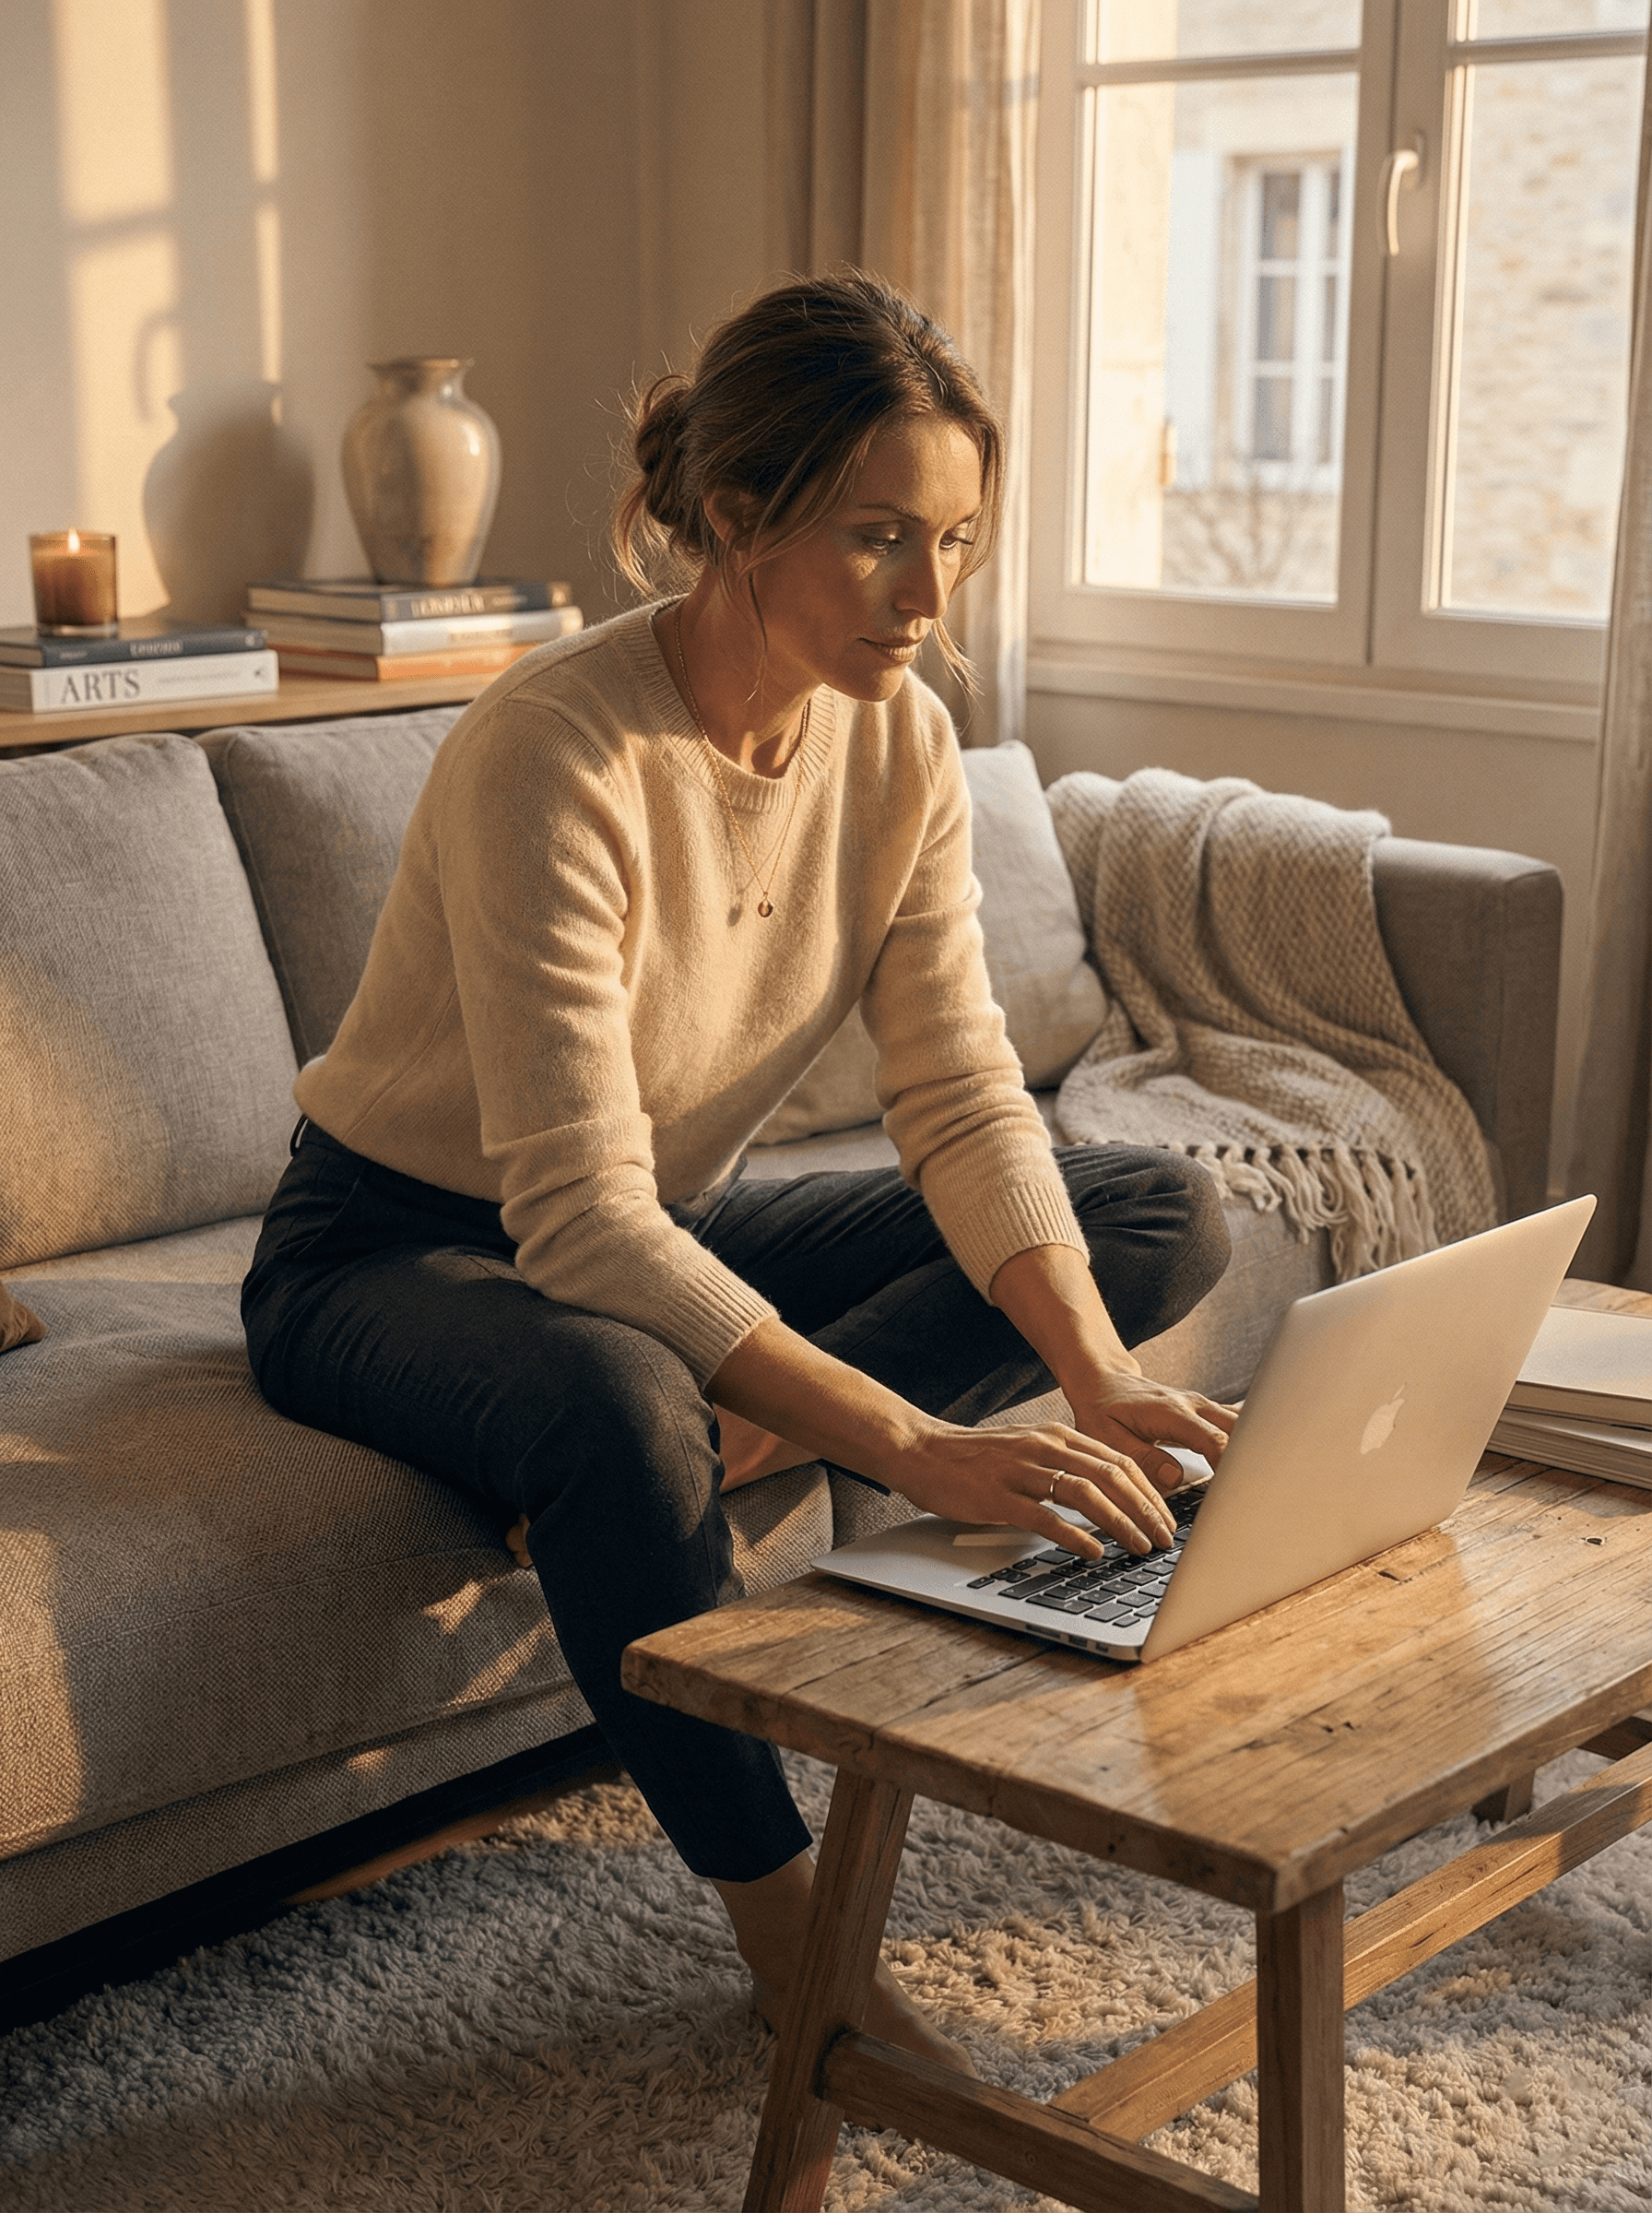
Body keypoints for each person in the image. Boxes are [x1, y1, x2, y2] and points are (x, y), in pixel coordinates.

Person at [242, 271, 1235, 2065]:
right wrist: (915, 1440)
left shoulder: (901, 742)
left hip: (644, 1233)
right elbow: (575, 1215)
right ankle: (802, 1965)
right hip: (387, 1252)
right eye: (876, 540)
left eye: (952, 541)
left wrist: (1092, 1382)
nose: (927, 599)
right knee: (621, 1400)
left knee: (1156, 1211)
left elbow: (957, 1098)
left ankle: (696, 1435)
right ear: (729, 517)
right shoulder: (555, 751)